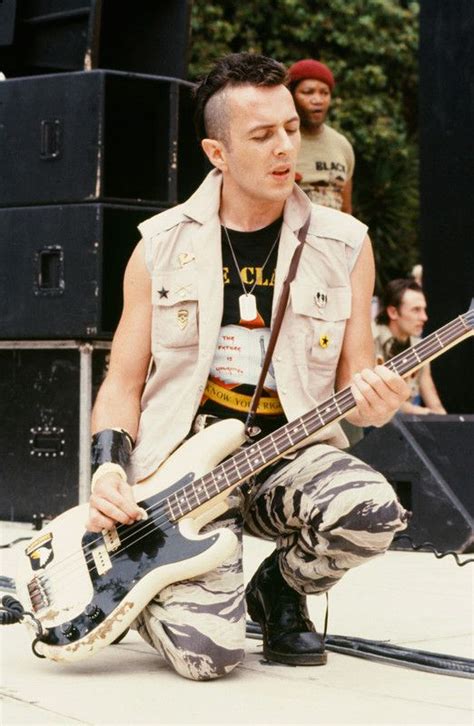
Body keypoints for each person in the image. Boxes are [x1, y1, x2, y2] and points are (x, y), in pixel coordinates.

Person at [86, 52, 411, 681]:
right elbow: (123, 382)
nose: (286, 147)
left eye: (290, 127)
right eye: (262, 136)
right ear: (217, 153)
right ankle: (166, 587)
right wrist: (106, 468)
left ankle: (279, 587)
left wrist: (376, 401)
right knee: (211, 659)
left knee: (373, 507)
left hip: (286, 454)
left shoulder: (346, 244)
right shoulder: (160, 246)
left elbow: (356, 378)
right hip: (183, 475)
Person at [288, 58, 354, 213]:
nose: (318, 100)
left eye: (324, 93)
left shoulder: (342, 145)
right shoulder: (280, 142)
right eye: (308, 92)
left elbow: (346, 209)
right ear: (291, 96)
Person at [373, 278, 447, 415]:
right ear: (393, 312)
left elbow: (433, 401)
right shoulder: (370, 340)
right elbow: (377, 399)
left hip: (406, 421)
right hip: (372, 423)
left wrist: (451, 427)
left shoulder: (419, 346)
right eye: (416, 310)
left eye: (424, 310)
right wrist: (422, 412)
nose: (424, 317)